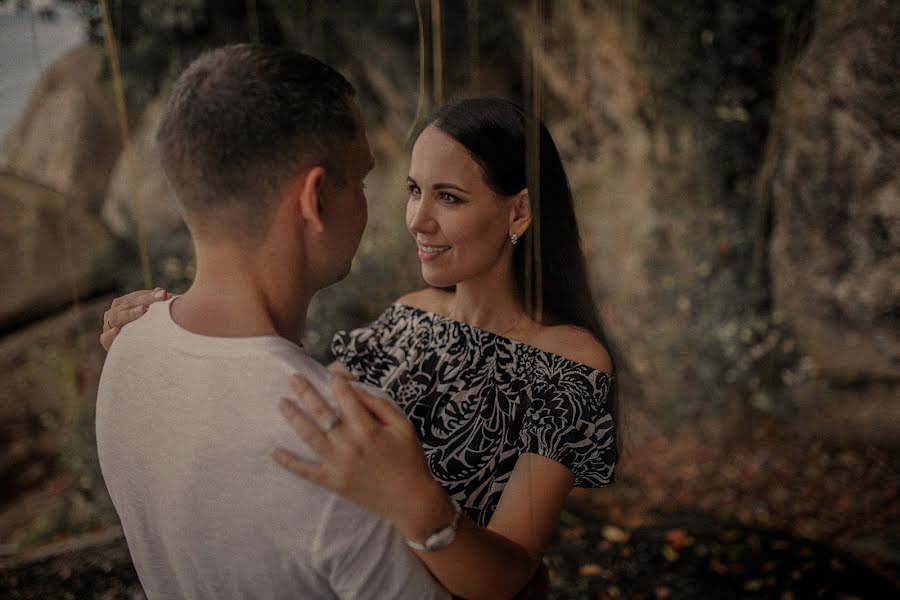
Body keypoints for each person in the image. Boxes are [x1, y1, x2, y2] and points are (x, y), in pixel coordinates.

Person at [104, 97, 619, 599]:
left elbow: (508, 575)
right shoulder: (407, 317)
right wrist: (167, 341)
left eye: (450, 197)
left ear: (519, 211)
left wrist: (417, 502)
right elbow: (280, 410)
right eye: (415, 191)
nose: (418, 219)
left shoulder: (569, 365)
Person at [95, 44, 449, 599]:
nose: (367, 203)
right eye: (358, 180)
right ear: (313, 199)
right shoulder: (341, 447)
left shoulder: (126, 349)